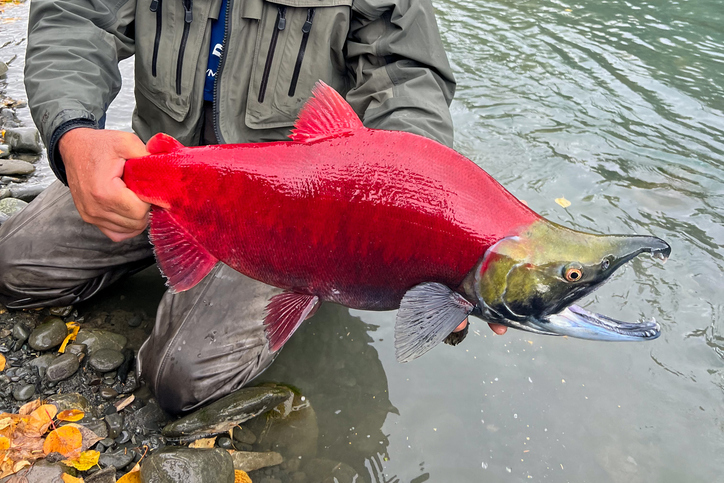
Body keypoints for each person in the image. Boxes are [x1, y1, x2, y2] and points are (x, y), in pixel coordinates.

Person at [0, 0, 505, 413]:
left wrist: (423, 232)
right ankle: (170, 253)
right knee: (10, 268)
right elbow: (77, 16)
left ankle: (309, 279)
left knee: (179, 377)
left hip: (287, 216)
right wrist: (72, 131)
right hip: (157, 169)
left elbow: (406, 79)